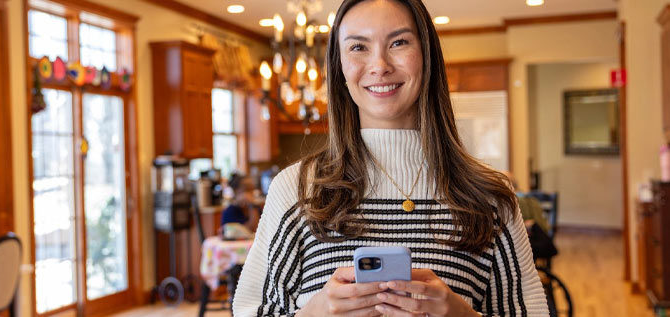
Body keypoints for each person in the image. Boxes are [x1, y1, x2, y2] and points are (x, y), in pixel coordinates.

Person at [232, 0, 548, 316]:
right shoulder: (297, 189)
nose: (379, 65)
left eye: (398, 42)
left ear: (426, 57)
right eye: (358, 47)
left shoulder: (489, 197)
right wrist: (313, 313)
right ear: (339, 66)